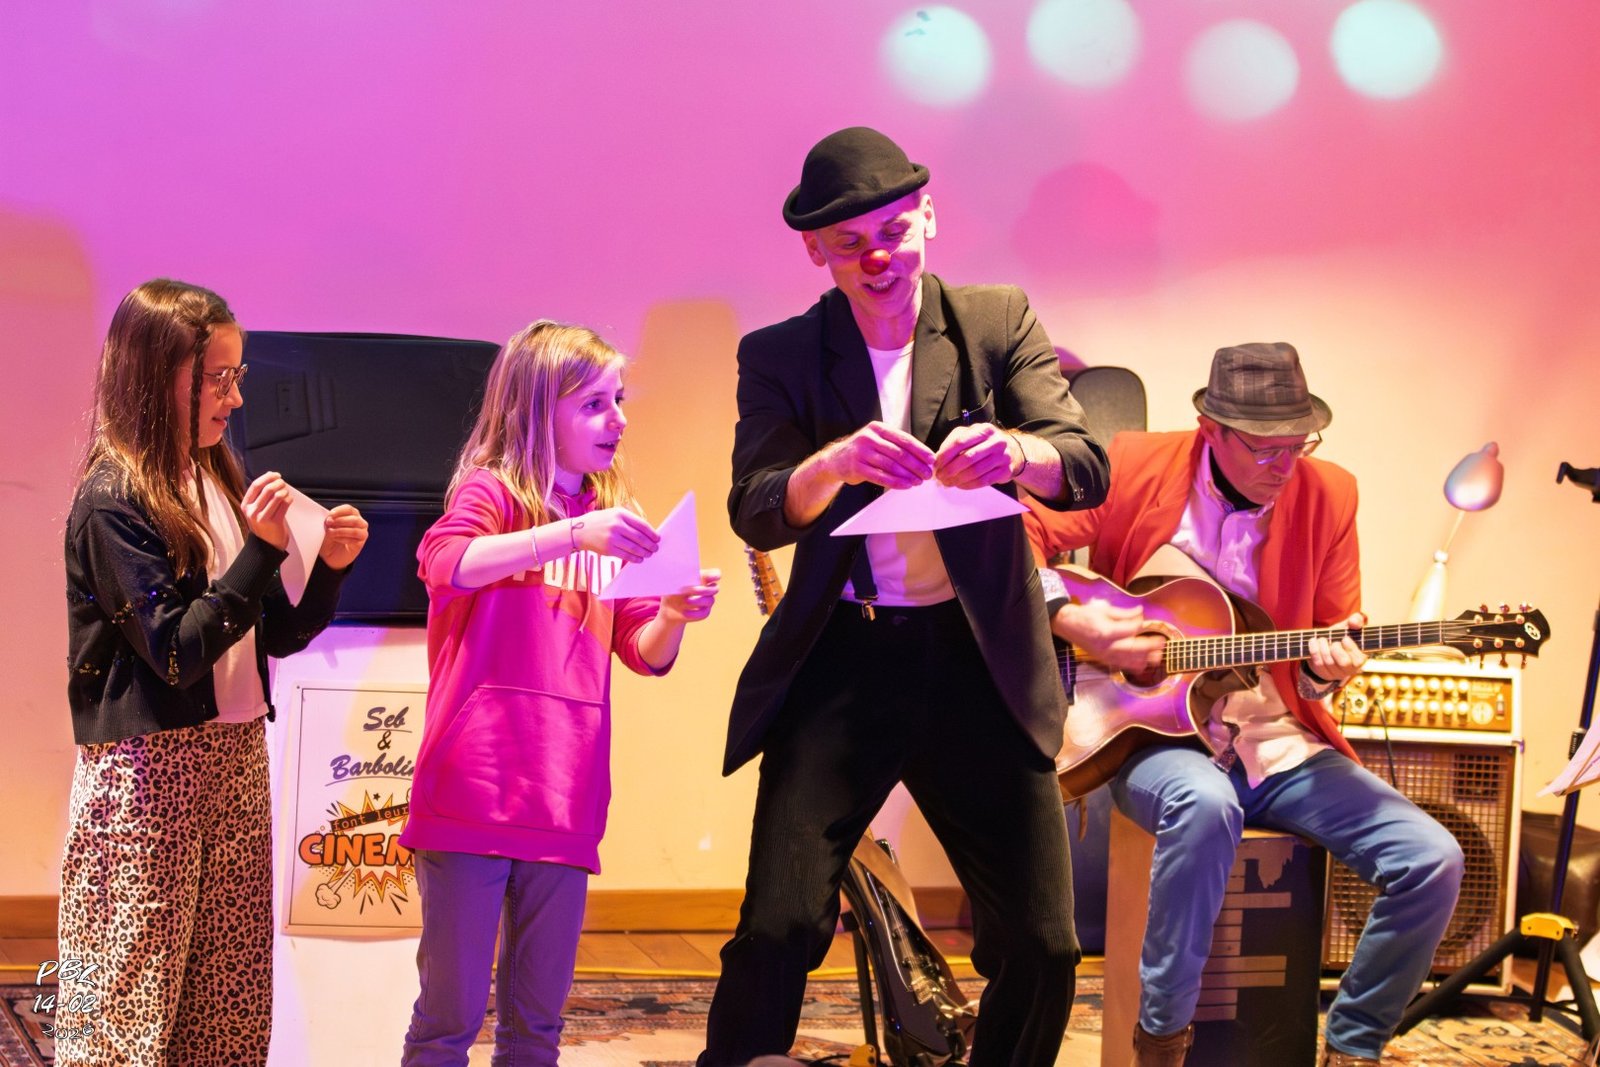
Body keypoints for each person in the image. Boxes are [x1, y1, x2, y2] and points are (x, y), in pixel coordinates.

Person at [699, 126, 1110, 1067]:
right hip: (845, 661)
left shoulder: (995, 320)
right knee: (776, 929)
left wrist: (1017, 452)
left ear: (927, 216)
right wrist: (831, 463)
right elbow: (757, 509)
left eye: (893, 229)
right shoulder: (783, 354)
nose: (878, 255)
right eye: (851, 242)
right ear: (816, 250)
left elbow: (1084, 466)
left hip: (979, 662)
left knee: (1045, 945)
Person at [1026, 343, 1465, 1067]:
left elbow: (1333, 632)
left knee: (1434, 858)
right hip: (1154, 738)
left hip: (1275, 740)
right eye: (1264, 447)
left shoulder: (1330, 494)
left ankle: (1352, 1044)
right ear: (1211, 428)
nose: (1283, 464)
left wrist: (1328, 675)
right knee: (1205, 805)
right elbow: (1023, 531)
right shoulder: (1133, 463)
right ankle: (1162, 1039)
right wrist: (1075, 619)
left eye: (1298, 445)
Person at [57, 278, 368, 1065]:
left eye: (238, 376)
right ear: (158, 376)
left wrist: (326, 570)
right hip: (147, 777)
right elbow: (174, 651)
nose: (234, 397)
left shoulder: (216, 473)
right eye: (217, 378)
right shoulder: (114, 497)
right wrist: (262, 551)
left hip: (232, 761)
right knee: (128, 1004)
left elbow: (268, 638)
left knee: (222, 1003)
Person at [400, 320, 720, 1066]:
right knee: (446, 1020)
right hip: (469, 799)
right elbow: (446, 560)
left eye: (620, 399)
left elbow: (642, 651)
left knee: (536, 1029)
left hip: (566, 800)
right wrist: (572, 536)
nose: (620, 419)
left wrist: (672, 613)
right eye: (595, 404)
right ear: (537, 411)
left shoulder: (613, 519)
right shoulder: (495, 496)